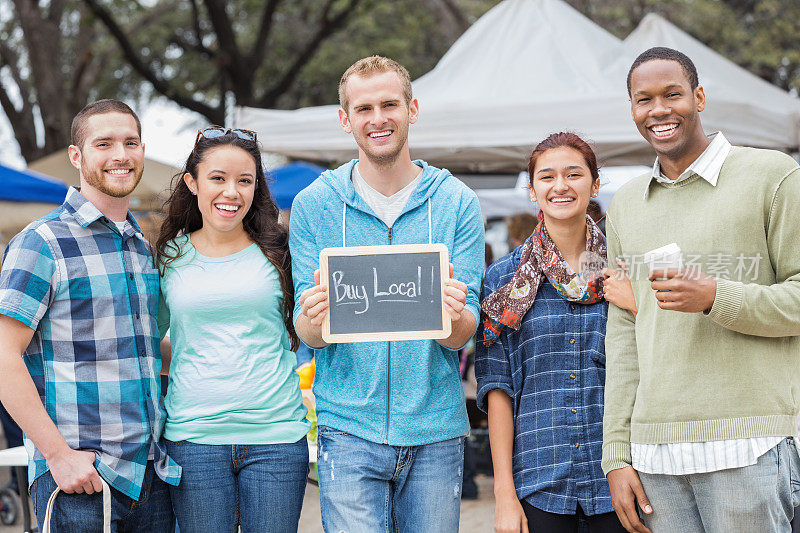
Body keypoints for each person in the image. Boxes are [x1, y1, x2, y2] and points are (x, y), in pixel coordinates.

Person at [602, 46, 800, 533]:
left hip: (748, 444)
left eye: (673, 94)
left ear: (700, 97)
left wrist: (716, 297)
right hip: (654, 456)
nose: (659, 110)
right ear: (632, 109)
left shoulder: (772, 176)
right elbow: (624, 332)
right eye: (643, 99)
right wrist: (617, 454)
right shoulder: (626, 205)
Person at [289, 55, 484, 532]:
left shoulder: (457, 201)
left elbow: (464, 333)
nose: (378, 119)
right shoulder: (315, 204)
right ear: (345, 119)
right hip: (348, 428)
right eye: (364, 108)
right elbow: (306, 333)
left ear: (412, 109)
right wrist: (313, 317)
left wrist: (454, 317)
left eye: (389, 104)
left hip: (435, 429)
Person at [0, 99, 180, 532]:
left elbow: (146, 351)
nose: (121, 154)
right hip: (81, 481)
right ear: (77, 156)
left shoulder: (142, 246)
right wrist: (59, 457)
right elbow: (4, 357)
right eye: (105, 143)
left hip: (151, 477)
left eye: (131, 142)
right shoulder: (41, 242)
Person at [155, 127, 310, 532]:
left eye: (245, 180)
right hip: (193, 438)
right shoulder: (169, 257)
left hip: (275, 437)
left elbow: (312, 329)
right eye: (218, 178)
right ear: (192, 183)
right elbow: (150, 341)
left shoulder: (281, 253)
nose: (231, 192)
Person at [476, 132, 629, 533]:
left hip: (620, 478)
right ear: (532, 191)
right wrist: (504, 495)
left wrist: (640, 305)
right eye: (547, 177)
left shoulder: (624, 270)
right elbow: (498, 391)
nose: (560, 186)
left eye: (573, 174)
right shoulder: (503, 281)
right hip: (539, 483)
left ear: (595, 185)